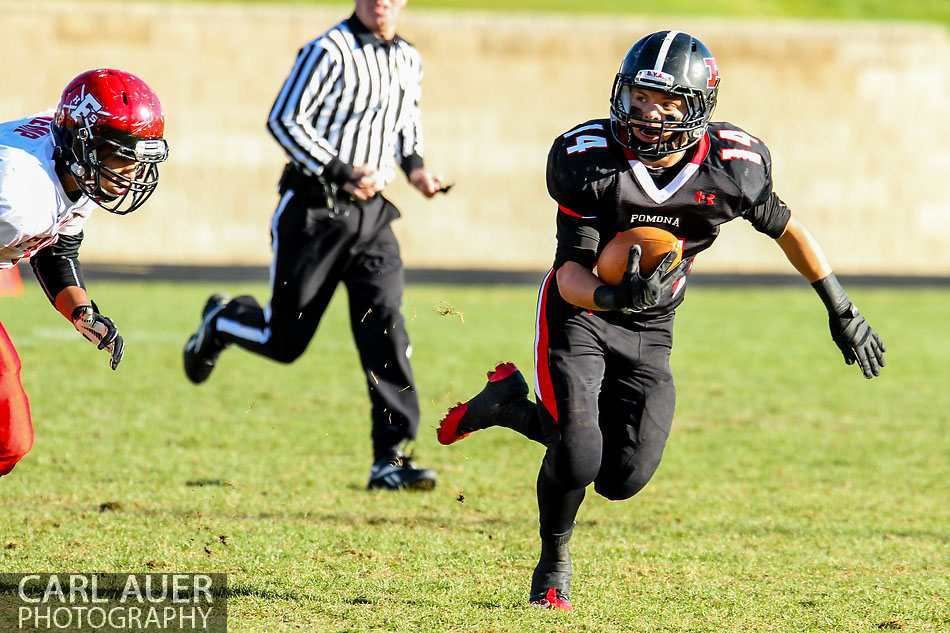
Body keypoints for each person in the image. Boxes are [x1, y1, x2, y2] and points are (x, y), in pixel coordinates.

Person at [437, 30, 886, 611]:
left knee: (621, 477)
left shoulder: (732, 168)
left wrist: (841, 307)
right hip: (583, 312)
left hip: (653, 327)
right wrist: (611, 299)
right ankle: (553, 564)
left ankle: (507, 404)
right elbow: (570, 272)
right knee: (578, 453)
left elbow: (788, 229)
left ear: (698, 107)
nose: (649, 114)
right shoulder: (590, 160)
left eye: (667, 102)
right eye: (641, 97)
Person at [183, 0, 444, 491]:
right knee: (283, 343)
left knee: (385, 327)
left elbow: (406, 121)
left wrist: (416, 170)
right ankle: (221, 321)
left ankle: (391, 458)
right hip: (313, 212)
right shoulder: (329, 50)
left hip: (373, 218)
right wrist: (341, 170)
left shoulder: (409, 56)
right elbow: (283, 119)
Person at [0, 68, 169, 477]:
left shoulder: (77, 167)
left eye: (135, 160)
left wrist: (81, 311)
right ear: (81, 144)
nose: (128, 175)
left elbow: (57, 248)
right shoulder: (17, 193)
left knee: (10, 439)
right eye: (119, 158)